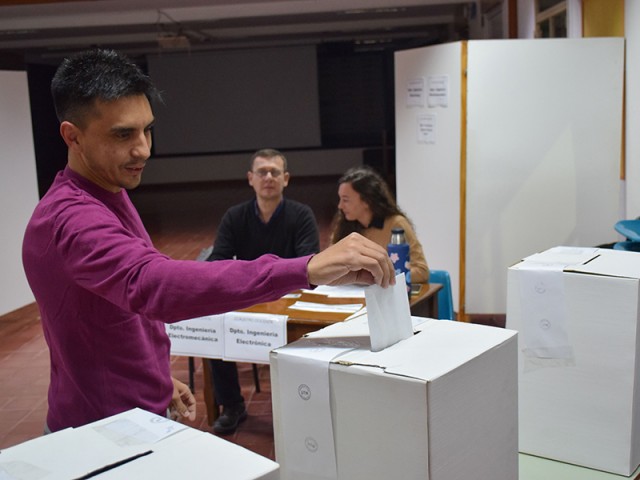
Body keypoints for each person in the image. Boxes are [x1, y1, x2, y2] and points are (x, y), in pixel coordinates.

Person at [21, 48, 395, 434]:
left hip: (131, 415)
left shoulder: (108, 193)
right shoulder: (72, 219)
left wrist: (156, 381)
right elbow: (152, 285)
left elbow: (118, 319)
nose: (144, 149)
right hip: (100, 434)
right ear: (72, 136)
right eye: (123, 135)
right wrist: (306, 267)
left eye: (147, 129)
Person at [206, 148, 320, 435]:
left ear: (286, 179)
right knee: (215, 326)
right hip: (248, 298)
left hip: (291, 300)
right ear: (250, 179)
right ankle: (232, 405)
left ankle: (302, 405)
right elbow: (217, 260)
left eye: (275, 172)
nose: (268, 177)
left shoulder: (301, 215)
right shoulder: (235, 217)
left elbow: (308, 263)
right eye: (262, 172)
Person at [330, 165, 429, 283]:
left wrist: (381, 276)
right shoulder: (343, 226)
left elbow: (421, 271)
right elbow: (331, 266)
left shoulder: (396, 224)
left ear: (367, 201)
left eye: (345, 200)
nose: (340, 206)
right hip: (352, 296)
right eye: (340, 199)